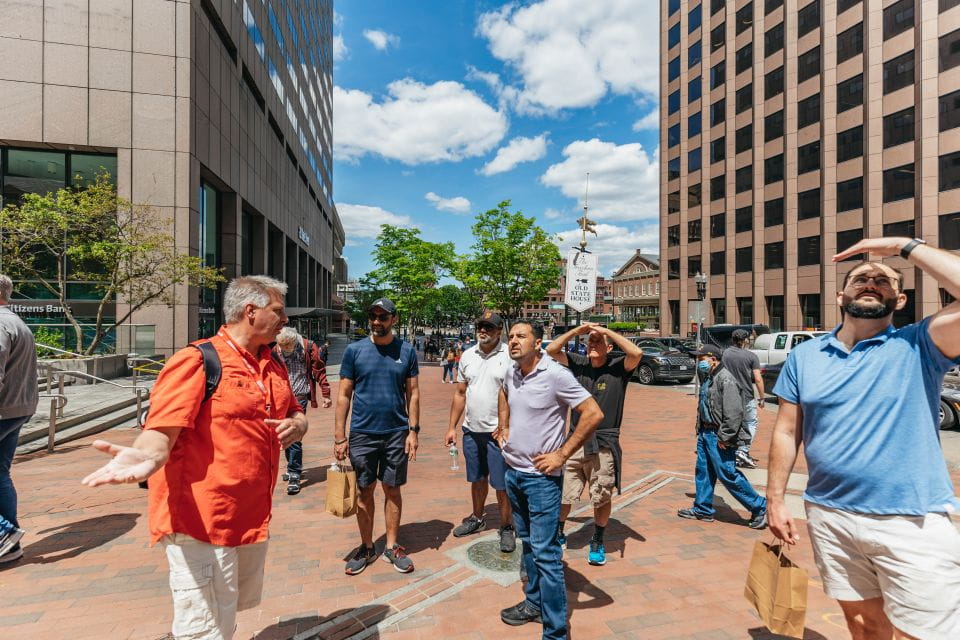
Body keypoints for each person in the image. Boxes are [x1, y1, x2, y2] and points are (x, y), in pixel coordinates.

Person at [82, 275, 308, 639]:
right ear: (250, 311)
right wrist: (146, 457)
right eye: (278, 311)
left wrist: (299, 424)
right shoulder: (198, 360)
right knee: (202, 629)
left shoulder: (272, 361)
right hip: (201, 521)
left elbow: (295, 409)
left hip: (249, 517)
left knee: (224, 614)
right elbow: (161, 430)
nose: (285, 320)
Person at [767, 237, 960, 640]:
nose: (871, 281)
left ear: (900, 300)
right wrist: (776, 501)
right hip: (829, 514)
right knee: (863, 624)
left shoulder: (920, 343)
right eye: (860, 278)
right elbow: (787, 430)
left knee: (924, 633)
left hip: (912, 520)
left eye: (884, 280)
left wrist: (903, 247)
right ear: (840, 295)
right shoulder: (806, 355)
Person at [495, 320, 603, 639]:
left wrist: (561, 454)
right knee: (528, 544)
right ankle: (534, 604)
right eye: (511, 336)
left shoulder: (555, 375)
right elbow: (503, 392)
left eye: (521, 336)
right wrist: (502, 427)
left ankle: (556, 631)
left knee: (546, 555)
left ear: (538, 343)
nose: (513, 341)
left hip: (542, 480)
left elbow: (593, 413)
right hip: (514, 473)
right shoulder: (511, 372)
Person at [334, 298, 420, 575]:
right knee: (364, 490)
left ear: (394, 319)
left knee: (392, 489)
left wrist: (413, 430)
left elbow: (413, 393)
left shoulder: (406, 351)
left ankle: (391, 546)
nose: (377, 321)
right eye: (373, 316)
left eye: (383, 317)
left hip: (396, 433)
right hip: (362, 433)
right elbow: (344, 394)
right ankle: (367, 545)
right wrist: (339, 436)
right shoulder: (354, 351)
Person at [545, 322, 642, 566]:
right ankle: (558, 531)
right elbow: (552, 350)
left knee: (601, 496)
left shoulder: (618, 367)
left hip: (604, 444)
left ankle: (598, 539)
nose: (593, 345)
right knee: (564, 492)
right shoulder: (579, 364)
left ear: (609, 347)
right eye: (590, 342)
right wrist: (578, 331)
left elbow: (636, 353)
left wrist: (606, 332)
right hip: (575, 442)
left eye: (598, 342)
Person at [445, 311, 515, 552]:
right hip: (472, 431)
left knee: (502, 483)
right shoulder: (467, 355)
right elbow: (460, 393)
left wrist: (508, 426)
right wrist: (452, 427)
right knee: (476, 479)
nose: (483, 330)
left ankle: (507, 526)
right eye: (480, 326)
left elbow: (519, 394)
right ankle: (477, 517)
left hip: (498, 434)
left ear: (499, 331)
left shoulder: (509, 355)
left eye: (488, 327)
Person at [677, 344, 767, 529]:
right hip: (705, 432)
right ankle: (702, 508)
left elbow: (734, 413)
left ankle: (759, 506)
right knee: (704, 471)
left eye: (701, 359)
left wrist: (725, 437)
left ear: (713, 359)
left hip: (719, 434)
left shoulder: (726, 379)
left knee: (728, 473)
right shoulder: (709, 376)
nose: (699, 362)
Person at [0, 274, 39, 565]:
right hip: (18, 407)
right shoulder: (16, 322)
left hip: (4, 408)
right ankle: (9, 545)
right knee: (0, 473)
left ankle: (4, 533)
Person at [275, 327, 331, 495]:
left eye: (288, 346)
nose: (284, 349)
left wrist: (326, 394)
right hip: (281, 396)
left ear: (295, 341)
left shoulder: (307, 346)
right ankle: (291, 467)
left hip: (299, 395)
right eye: (282, 346)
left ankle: (294, 473)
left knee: (295, 433)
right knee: (285, 433)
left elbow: (319, 370)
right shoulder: (274, 349)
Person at [721, 328, 763, 469]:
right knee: (750, 422)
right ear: (745, 340)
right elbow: (758, 378)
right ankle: (742, 451)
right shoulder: (751, 356)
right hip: (746, 395)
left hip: (727, 394)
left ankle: (732, 451)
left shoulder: (724, 354)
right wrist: (762, 398)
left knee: (732, 423)